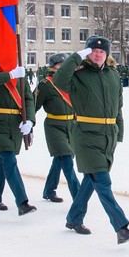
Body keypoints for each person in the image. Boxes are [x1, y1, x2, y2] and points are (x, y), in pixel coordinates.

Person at [53, 36, 129, 245]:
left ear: (107, 54)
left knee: (91, 180)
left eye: (102, 51)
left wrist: (119, 132)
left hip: (108, 135)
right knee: (102, 180)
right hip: (86, 134)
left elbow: (118, 106)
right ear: (87, 53)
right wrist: (76, 57)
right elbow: (59, 80)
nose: (98, 54)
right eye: (93, 51)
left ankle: (74, 218)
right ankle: (121, 227)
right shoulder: (78, 75)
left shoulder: (113, 75)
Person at [0, 59, 37, 216]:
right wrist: (10, 75)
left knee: (4, 162)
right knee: (9, 159)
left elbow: (27, 99)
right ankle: (22, 202)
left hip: (15, 124)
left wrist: (30, 120)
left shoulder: (19, 75)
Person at [34, 53, 80, 203]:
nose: (63, 68)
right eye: (60, 65)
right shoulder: (46, 84)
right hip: (54, 126)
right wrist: (27, 121)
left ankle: (49, 190)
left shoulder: (72, 81)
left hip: (71, 125)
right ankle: (78, 195)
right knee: (66, 158)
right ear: (53, 67)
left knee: (60, 159)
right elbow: (33, 105)